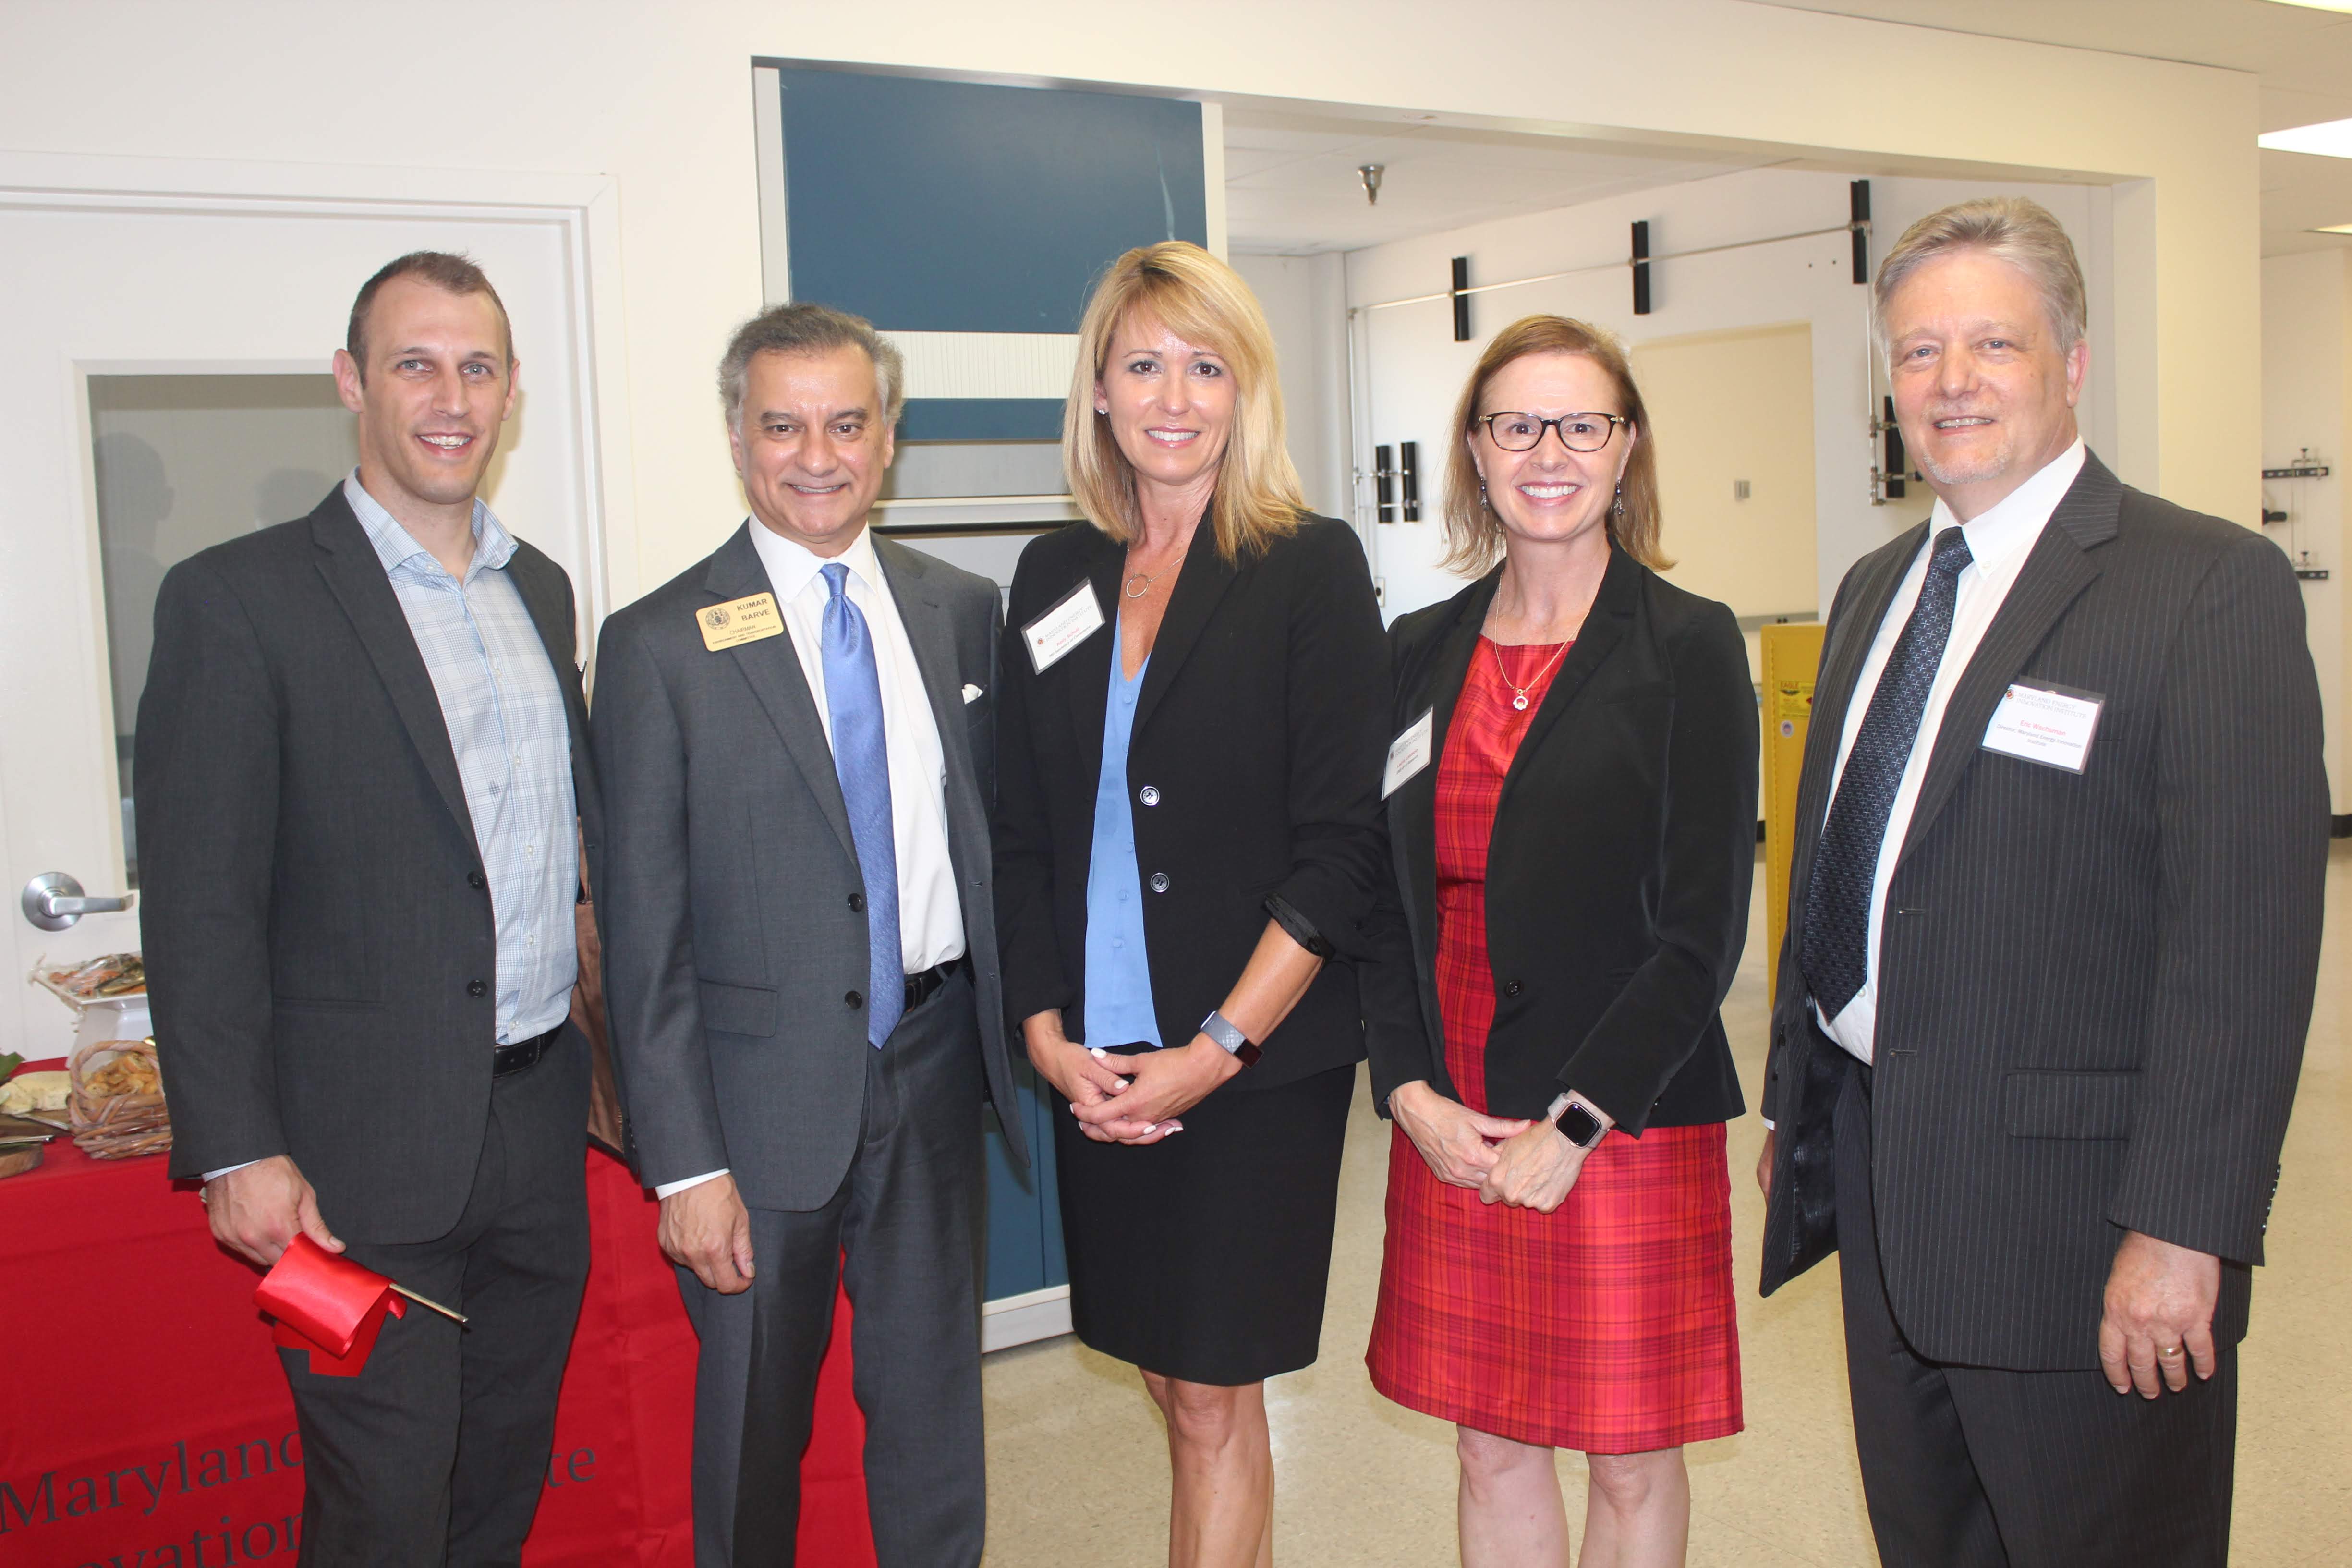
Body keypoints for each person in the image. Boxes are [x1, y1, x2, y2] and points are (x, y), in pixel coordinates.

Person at [1757, 197, 2327, 1567]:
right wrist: (1803, 1100)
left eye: (1990, 345)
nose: (1949, 384)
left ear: (2070, 363)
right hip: (1894, 1196)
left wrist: (2182, 1230)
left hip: (2083, 1235)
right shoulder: (1874, 587)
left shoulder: (2203, 587)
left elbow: (2241, 951)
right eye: (1916, 352)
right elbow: (1848, 861)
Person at [139, 251, 603, 1564]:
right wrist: (235, 1146)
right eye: (414, 363)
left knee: (496, 1489)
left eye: (475, 367)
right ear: (352, 382)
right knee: (383, 1513)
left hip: (532, 1132)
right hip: (350, 1161)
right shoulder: (239, 600)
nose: (448, 396)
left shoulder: (541, 591)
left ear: (511, 391)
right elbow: (200, 904)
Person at [592, 302, 1022, 1568]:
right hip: (752, 1112)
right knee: (749, 1437)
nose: (815, 454)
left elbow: (991, 843)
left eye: (845, 423)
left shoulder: (960, 611)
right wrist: (682, 1164)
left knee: (937, 1411)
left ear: (886, 438)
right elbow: (642, 925)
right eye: (783, 425)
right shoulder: (658, 644)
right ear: (739, 436)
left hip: (934, 1065)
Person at [992, 241, 1388, 1567]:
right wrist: (1045, 1030)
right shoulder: (1054, 576)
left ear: (1245, 391)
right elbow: (1026, 831)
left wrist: (1213, 1052)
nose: (1174, 396)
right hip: (1099, 1050)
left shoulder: (1306, 567)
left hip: (1245, 1061)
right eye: (1144, 363)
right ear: (1097, 390)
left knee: (1215, 1393)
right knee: (1172, 1382)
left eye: (1206, 367)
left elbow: (1341, 852)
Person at [1358, 315, 1755, 1568]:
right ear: (1474, 452)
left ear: (1624, 446)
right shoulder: (1415, 653)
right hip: (1455, 1098)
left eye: (1580, 424)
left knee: (1630, 1452)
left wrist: (1578, 1117)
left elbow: (1701, 928)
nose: (1548, 452)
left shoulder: (1687, 644)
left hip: (1621, 1093)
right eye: (1515, 424)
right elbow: (1379, 899)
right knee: (1490, 1443)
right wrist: (1408, 1089)